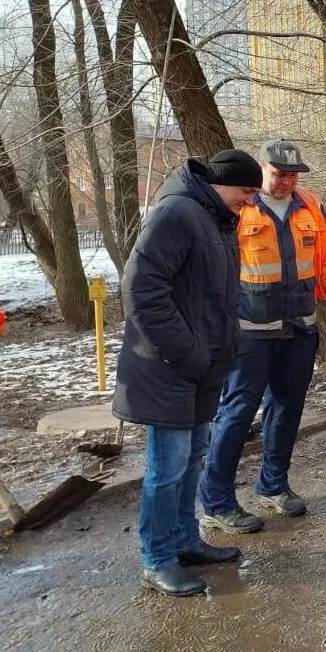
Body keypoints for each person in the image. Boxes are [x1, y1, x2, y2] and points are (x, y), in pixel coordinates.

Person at [113, 149, 262, 597]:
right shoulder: (177, 212)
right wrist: (188, 352)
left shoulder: (214, 219)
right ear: (222, 183)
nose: (250, 201)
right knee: (167, 468)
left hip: (200, 369)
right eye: (247, 191)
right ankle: (157, 558)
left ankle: (184, 540)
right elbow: (140, 288)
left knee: (192, 458)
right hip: (167, 368)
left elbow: (214, 295)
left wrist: (222, 345)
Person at [199, 139, 326, 531]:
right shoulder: (238, 206)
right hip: (250, 331)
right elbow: (214, 266)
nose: (286, 181)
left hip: (299, 327)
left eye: (291, 175)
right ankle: (216, 501)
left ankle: (273, 485)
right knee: (236, 413)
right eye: (278, 173)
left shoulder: (310, 205)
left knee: (287, 408)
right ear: (261, 168)